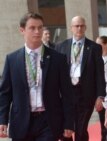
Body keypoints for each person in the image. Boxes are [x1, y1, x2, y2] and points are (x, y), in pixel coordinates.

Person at [0, 12, 75, 141]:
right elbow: (5, 93)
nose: (37, 31)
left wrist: (69, 122)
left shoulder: (58, 59)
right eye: (32, 28)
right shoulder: (12, 59)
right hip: (21, 121)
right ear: (22, 30)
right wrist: (2, 120)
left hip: (49, 121)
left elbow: (67, 93)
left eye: (40, 27)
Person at [55, 16, 106, 141]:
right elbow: (56, 72)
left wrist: (100, 96)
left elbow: (99, 73)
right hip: (66, 93)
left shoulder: (94, 47)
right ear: (71, 28)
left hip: (85, 94)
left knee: (81, 128)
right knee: (66, 129)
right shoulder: (61, 46)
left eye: (82, 25)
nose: (79, 28)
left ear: (85, 27)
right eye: (76, 26)